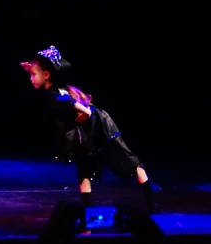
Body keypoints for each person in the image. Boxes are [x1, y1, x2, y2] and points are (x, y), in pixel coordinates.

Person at [20, 45, 159, 214]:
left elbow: (75, 105)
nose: (31, 78)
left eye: (33, 75)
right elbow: (61, 93)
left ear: (47, 75)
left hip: (99, 125)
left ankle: (151, 200)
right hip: (85, 131)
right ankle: (88, 211)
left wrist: (86, 112)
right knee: (84, 169)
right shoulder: (56, 87)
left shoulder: (54, 94)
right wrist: (31, 69)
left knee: (126, 159)